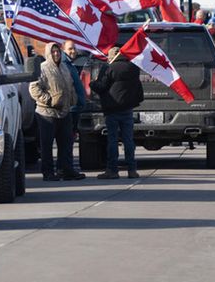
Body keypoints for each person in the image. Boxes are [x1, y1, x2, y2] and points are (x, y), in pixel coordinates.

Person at [28, 42, 84, 181]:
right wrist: (48, 101)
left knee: (66, 143)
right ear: (48, 53)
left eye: (58, 51)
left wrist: (73, 99)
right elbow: (34, 88)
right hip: (46, 114)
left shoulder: (65, 67)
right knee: (47, 146)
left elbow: (70, 85)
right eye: (53, 52)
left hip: (65, 112)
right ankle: (48, 173)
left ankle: (66, 171)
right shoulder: (42, 68)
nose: (56, 54)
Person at [90, 44, 144, 178]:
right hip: (127, 109)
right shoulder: (133, 67)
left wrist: (92, 83)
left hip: (112, 109)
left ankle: (112, 170)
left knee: (113, 140)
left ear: (112, 56)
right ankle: (132, 170)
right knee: (128, 140)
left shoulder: (108, 68)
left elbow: (101, 87)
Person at [62, 40, 89, 147]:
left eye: (74, 48)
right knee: (67, 142)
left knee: (70, 140)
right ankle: (66, 164)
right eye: (70, 49)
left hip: (75, 108)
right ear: (63, 49)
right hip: (70, 109)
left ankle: (68, 163)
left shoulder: (70, 64)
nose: (73, 51)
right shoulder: (64, 65)